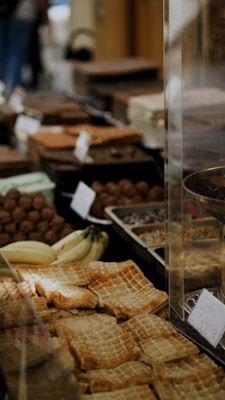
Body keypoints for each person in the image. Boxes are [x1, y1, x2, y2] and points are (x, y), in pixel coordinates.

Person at [0, 0, 48, 95]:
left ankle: (3, 89)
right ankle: (13, 91)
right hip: (24, 14)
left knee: (4, 54)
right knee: (17, 54)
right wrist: (44, 15)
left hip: (6, 12)